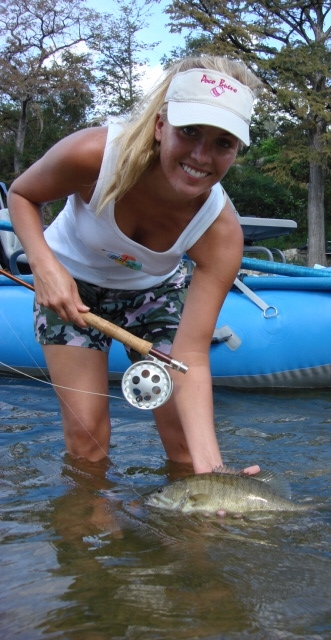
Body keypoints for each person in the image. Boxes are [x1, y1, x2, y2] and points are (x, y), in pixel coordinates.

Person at [8, 55, 262, 474]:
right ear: (161, 126)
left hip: (156, 293)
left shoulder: (219, 233)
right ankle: (96, 529)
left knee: (185, 445)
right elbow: (21, 195)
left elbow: (191, 357)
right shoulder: (93, 155)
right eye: (190, 131)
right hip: (71, 284)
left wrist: (214, 472)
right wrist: (44, 267)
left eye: (223, 143)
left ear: (236, 150)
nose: (201, 156)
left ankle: (189, 525)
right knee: (87, 442)